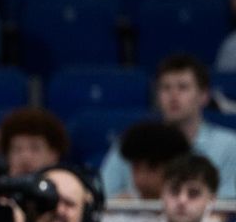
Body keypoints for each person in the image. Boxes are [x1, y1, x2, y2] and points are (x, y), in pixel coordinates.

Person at [100, 54, 236, 201]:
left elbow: (228, 206)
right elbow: (102, 196)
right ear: (157, 96)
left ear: (204, 95)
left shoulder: (229, 145)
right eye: (165, 88)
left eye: (183, 87)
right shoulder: (131, 142)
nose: (173, 95)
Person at [87, 121, 191, 222]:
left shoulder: (191, 213)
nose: (141, 177)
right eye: (136, 167)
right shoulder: (115, 212)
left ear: (174, 167)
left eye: (152, 167)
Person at [0, 107, 69, 178]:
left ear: (53, 155)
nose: (25, 157)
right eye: (17, 149)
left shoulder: (68, 186)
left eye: (35, 148)